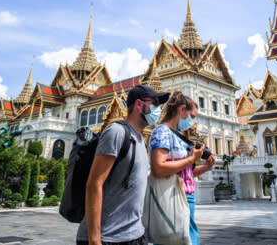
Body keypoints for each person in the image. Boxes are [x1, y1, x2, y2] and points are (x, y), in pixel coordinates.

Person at [77, 84, 169, 245]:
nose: (158, 109)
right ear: (139, 104)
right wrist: (94, 239)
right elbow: (93, 184)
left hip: (134, 234)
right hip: (108, 237)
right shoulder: (117, 132)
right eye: (154, 104)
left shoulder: (141, 140)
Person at [149, 91, 215, 245]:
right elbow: (158, 168)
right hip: (171, 195)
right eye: (192, 116)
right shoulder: (162, 132)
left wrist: (205, 167)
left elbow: (186, 173)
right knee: (175, 238)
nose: (193, 121)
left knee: (187, 237)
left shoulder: (178, 135)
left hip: (186, 195)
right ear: (182, 109)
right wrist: (192, 158)